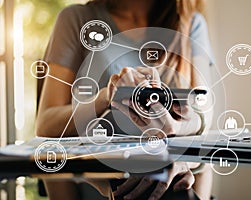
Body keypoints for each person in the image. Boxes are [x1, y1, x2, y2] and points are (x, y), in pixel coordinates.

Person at [36, 0, 214, 199]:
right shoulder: (76, 19)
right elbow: (45, 124)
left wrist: (180, 136)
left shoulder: (191, 23)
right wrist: (106, 96)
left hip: (172, 180)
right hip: (99, 182)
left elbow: (204, 116)